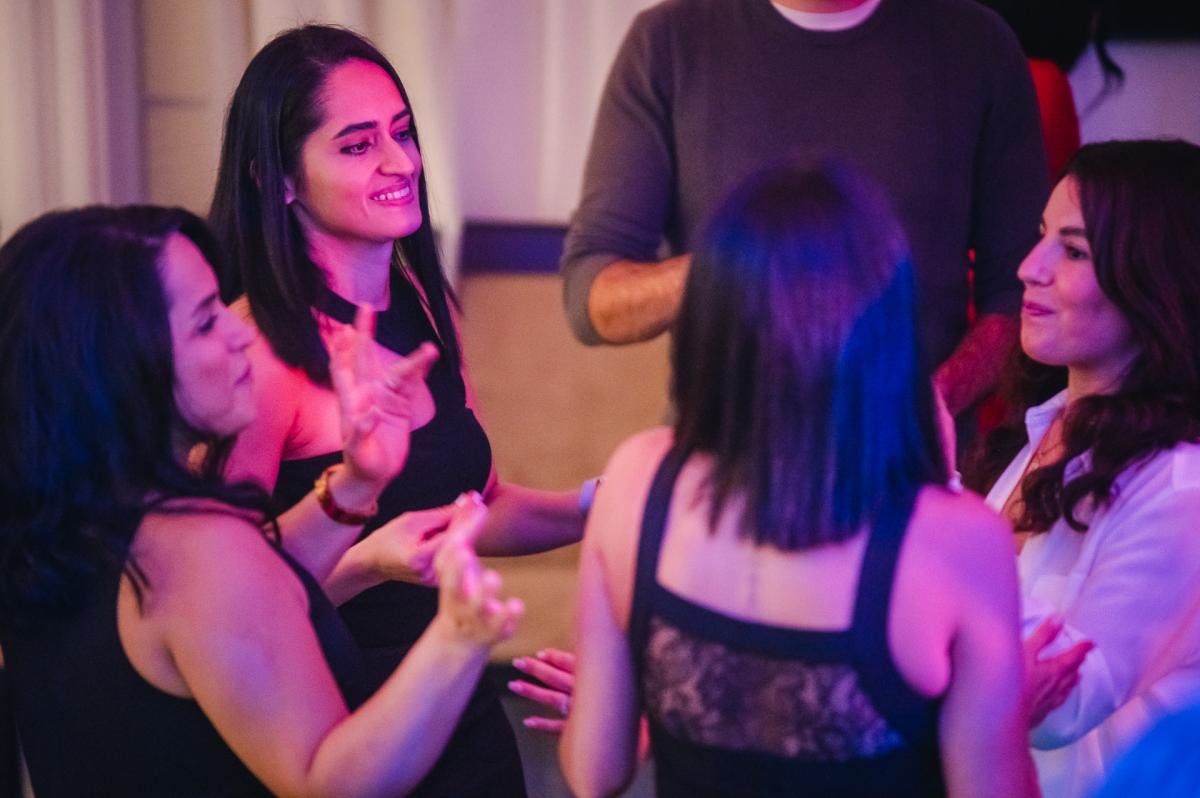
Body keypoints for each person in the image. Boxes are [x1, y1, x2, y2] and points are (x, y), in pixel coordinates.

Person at [0, 205, 523, 796]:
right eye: (206, 321)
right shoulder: (193, 547)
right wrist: (457, 638)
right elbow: (331, 782)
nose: (241, 333)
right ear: (121, 365)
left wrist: (356, 484)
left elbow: (234, 605)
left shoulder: (61, 523)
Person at [558, 157, 1037, 797]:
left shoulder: (637, 479)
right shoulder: (961, 540)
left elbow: (595, 773)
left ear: (709, 320)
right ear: (885, 331)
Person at [208, 25, 585, 796]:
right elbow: (224, 613)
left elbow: (477, 507)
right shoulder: (254, 351)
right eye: (357, 145)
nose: (401, 162)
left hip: (448, 696)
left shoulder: (419, 298)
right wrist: (367, 559)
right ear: (277, 179)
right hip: (331, 728)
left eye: (403, 132)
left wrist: (603, 505)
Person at [560, 0, 1049, 420]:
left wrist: (929, 407)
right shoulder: (668, 40)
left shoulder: (976, 44)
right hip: (721, 461)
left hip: (913, 467)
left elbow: (1020, 290)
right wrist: (736, 266)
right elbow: (593, 298)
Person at [969, 139, 1200, 798]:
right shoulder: (1044, 429)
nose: (1027, 268)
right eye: (1041, 236)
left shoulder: (1180, 489)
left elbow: (1061, 707)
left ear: (1153, 282)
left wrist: (934, 507)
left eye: (1072, 252)